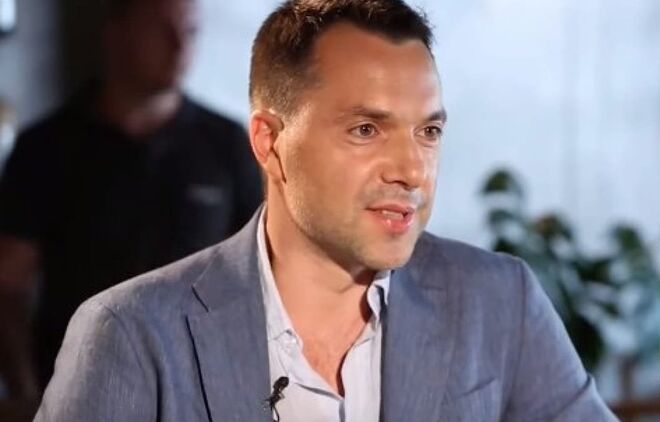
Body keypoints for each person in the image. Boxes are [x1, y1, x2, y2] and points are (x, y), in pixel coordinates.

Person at [34, 0, 617, 420]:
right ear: (270, 144)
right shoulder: (131, 335)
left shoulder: (500, 301)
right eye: (366, 129)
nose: (411, 170)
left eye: (429, 132)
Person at [0, 0, 263, 398]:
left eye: (189, 31)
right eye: (162, 29)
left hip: (198, 392)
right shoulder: (46, 148)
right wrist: (25, 394)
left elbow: (260, 276)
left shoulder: (226, 145)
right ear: (117, 34)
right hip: (81, 392)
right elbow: (10, 287)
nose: (180, 45)